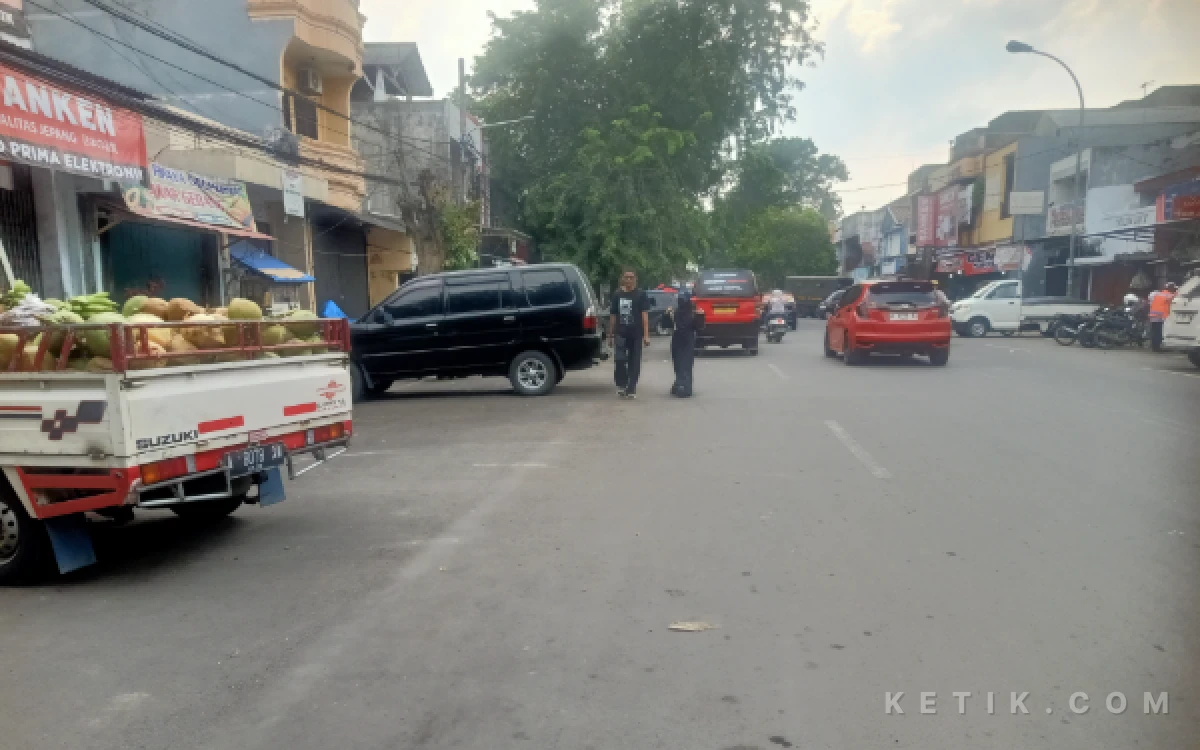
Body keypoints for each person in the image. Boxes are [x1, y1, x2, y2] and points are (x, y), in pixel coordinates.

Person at [608, 268, 650, 398]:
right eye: (626, 277)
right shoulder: (617, 295)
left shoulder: (641, 295)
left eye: (631, 277)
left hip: (635, 334)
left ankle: (631, 388)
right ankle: (622, 384)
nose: (629, 280)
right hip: (621, 333)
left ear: (635, 279)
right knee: (619, 360)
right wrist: (610, 335)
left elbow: (644, 316)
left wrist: (646, 335)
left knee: (634, 362)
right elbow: (613, 315)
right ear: (623, 278)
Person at [671, 288, 703, 397]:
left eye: (683, 300)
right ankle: (678, 383)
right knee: (677, 363)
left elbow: (699, 328)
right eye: (680, 299)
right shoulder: (675, 312)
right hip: (677, 340)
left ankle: (685, 386)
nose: (681, 302)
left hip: (688, 340)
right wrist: (666, 315)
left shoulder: (693, 313)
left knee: (686, 363)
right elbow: (667, 325)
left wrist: (700, 316)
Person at [1147, 282, 1178, 352]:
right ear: (1170, 288)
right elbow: (1175, 296)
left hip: (1153, 315)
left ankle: (1154, 347)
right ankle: (1157, 348)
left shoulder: (1159, 294)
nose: (1174, 290)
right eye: (1174, 288)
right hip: (1159, 316)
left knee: (1155, 332)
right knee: (1158, 332)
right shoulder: (1168, 295)